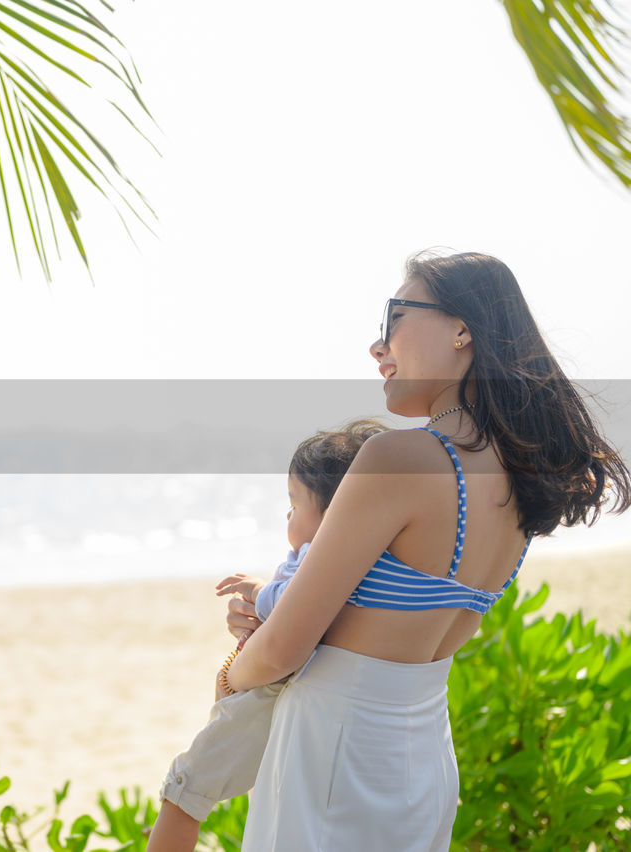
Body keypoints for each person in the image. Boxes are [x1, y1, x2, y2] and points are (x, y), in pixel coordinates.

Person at [172, 251, 627, 852]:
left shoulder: (399, 460)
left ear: (462, 329)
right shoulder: (520, 480)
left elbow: (282, 650)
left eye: (394, 317)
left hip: (333, 758)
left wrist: (235, 672)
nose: (377, 346)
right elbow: (407, 624)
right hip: (422, 761)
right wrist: (273, 606)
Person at [150, 419, 389, 848]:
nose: (287, 516)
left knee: (185, 792)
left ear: (335, 514)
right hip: (286, 692)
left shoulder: (324, 554)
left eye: (294, 505)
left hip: (269, 693)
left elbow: (294, 609)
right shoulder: (374, 560)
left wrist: (262, 593)